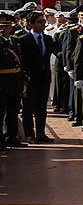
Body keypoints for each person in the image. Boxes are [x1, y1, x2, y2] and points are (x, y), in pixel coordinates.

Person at [19, 11, 59, 143]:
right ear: (31, 24)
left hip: (44, 78)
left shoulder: (47, 39)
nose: (43, 24)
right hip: (30, 79)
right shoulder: (23, 40)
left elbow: (57, 52)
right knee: (28, 108)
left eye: (44, 21)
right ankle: (29, 134)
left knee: (41, 108)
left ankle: (41, 133)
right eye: (40, 22)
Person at [1, 12, 26, 151]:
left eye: (6, 26)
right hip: (2, 82)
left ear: (11, 27)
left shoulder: (15, 41)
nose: (3, 29)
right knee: (1, 112)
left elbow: (20, 62)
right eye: (1, 26)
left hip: (15, 81)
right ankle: (1, 141)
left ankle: (12, 137)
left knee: (13, 110)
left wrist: (23, 80)